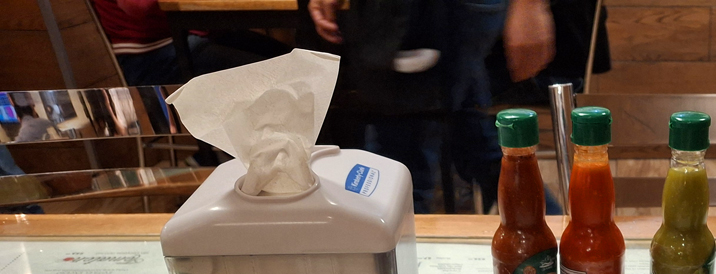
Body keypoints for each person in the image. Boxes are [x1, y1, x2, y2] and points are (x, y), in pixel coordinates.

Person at [306, 0, 554, 213]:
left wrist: (529, 4)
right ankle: (552, 242)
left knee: (402, 175)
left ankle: (553, 242)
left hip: (432, 16)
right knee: (472, 143)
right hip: (399, 16)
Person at [91, 0, 289, 86]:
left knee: (292, 60)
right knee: (283, 75)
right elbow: (137, 5)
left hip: (187, 36)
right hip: (149, 56)